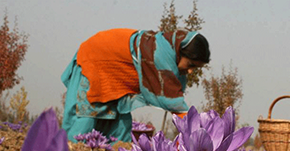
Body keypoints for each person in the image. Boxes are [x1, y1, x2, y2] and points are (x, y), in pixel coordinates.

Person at [61, 28, 210, 143]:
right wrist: (194, 127)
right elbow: (171, 100)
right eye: (190, 64)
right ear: (180, 52)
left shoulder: (168, 52)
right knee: (89, 110)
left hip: (114, 72)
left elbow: (175, 93)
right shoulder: (160, 53)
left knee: (119, 119)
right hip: (97, 58)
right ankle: (74, 149)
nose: (190, 71)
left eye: (195, 68)